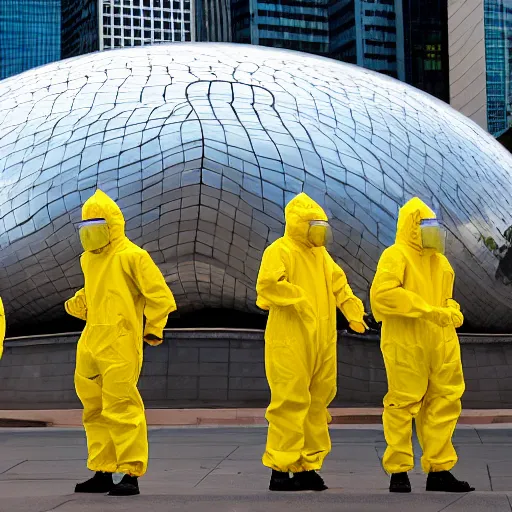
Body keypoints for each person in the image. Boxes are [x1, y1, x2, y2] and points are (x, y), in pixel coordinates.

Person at [65, 189, 176, 497]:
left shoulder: (133, 257)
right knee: (94, 410)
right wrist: (78, 304)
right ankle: (102, 469)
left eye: (96, 227)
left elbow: (160, 296)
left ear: (112, 226)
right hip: (90, 342)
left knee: (122, 406)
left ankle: (130, 472)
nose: (90, 235)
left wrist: (154, 327)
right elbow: (97, 292)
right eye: (85, 229)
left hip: (120, 342)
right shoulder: (89, 260)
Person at [256, 192, 368, 492]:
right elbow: (267, 285)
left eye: (321, 226)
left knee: (318, 401)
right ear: (298, 225)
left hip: (322, 338)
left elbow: (339, 283)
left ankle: (307, 466)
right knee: (289, 401)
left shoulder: (321, 256)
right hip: (289, 339)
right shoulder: (279, 250)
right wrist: (299, 300)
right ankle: (280, 468)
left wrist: (352, 309)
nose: (319, 232)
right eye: (313, 225)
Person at [370, 197, 474, 494]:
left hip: (441, 343)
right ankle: (399, 471)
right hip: (406, 342)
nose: (435, 232)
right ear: (413, 228)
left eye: (436, 226)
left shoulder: (441, 263)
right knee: (402, 404)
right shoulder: (395, 256)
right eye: (427, 226)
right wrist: (429, 311)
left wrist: (451, 310)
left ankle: (439, 470)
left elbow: (445, 298)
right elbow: (383, 296)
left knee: (444, 403)